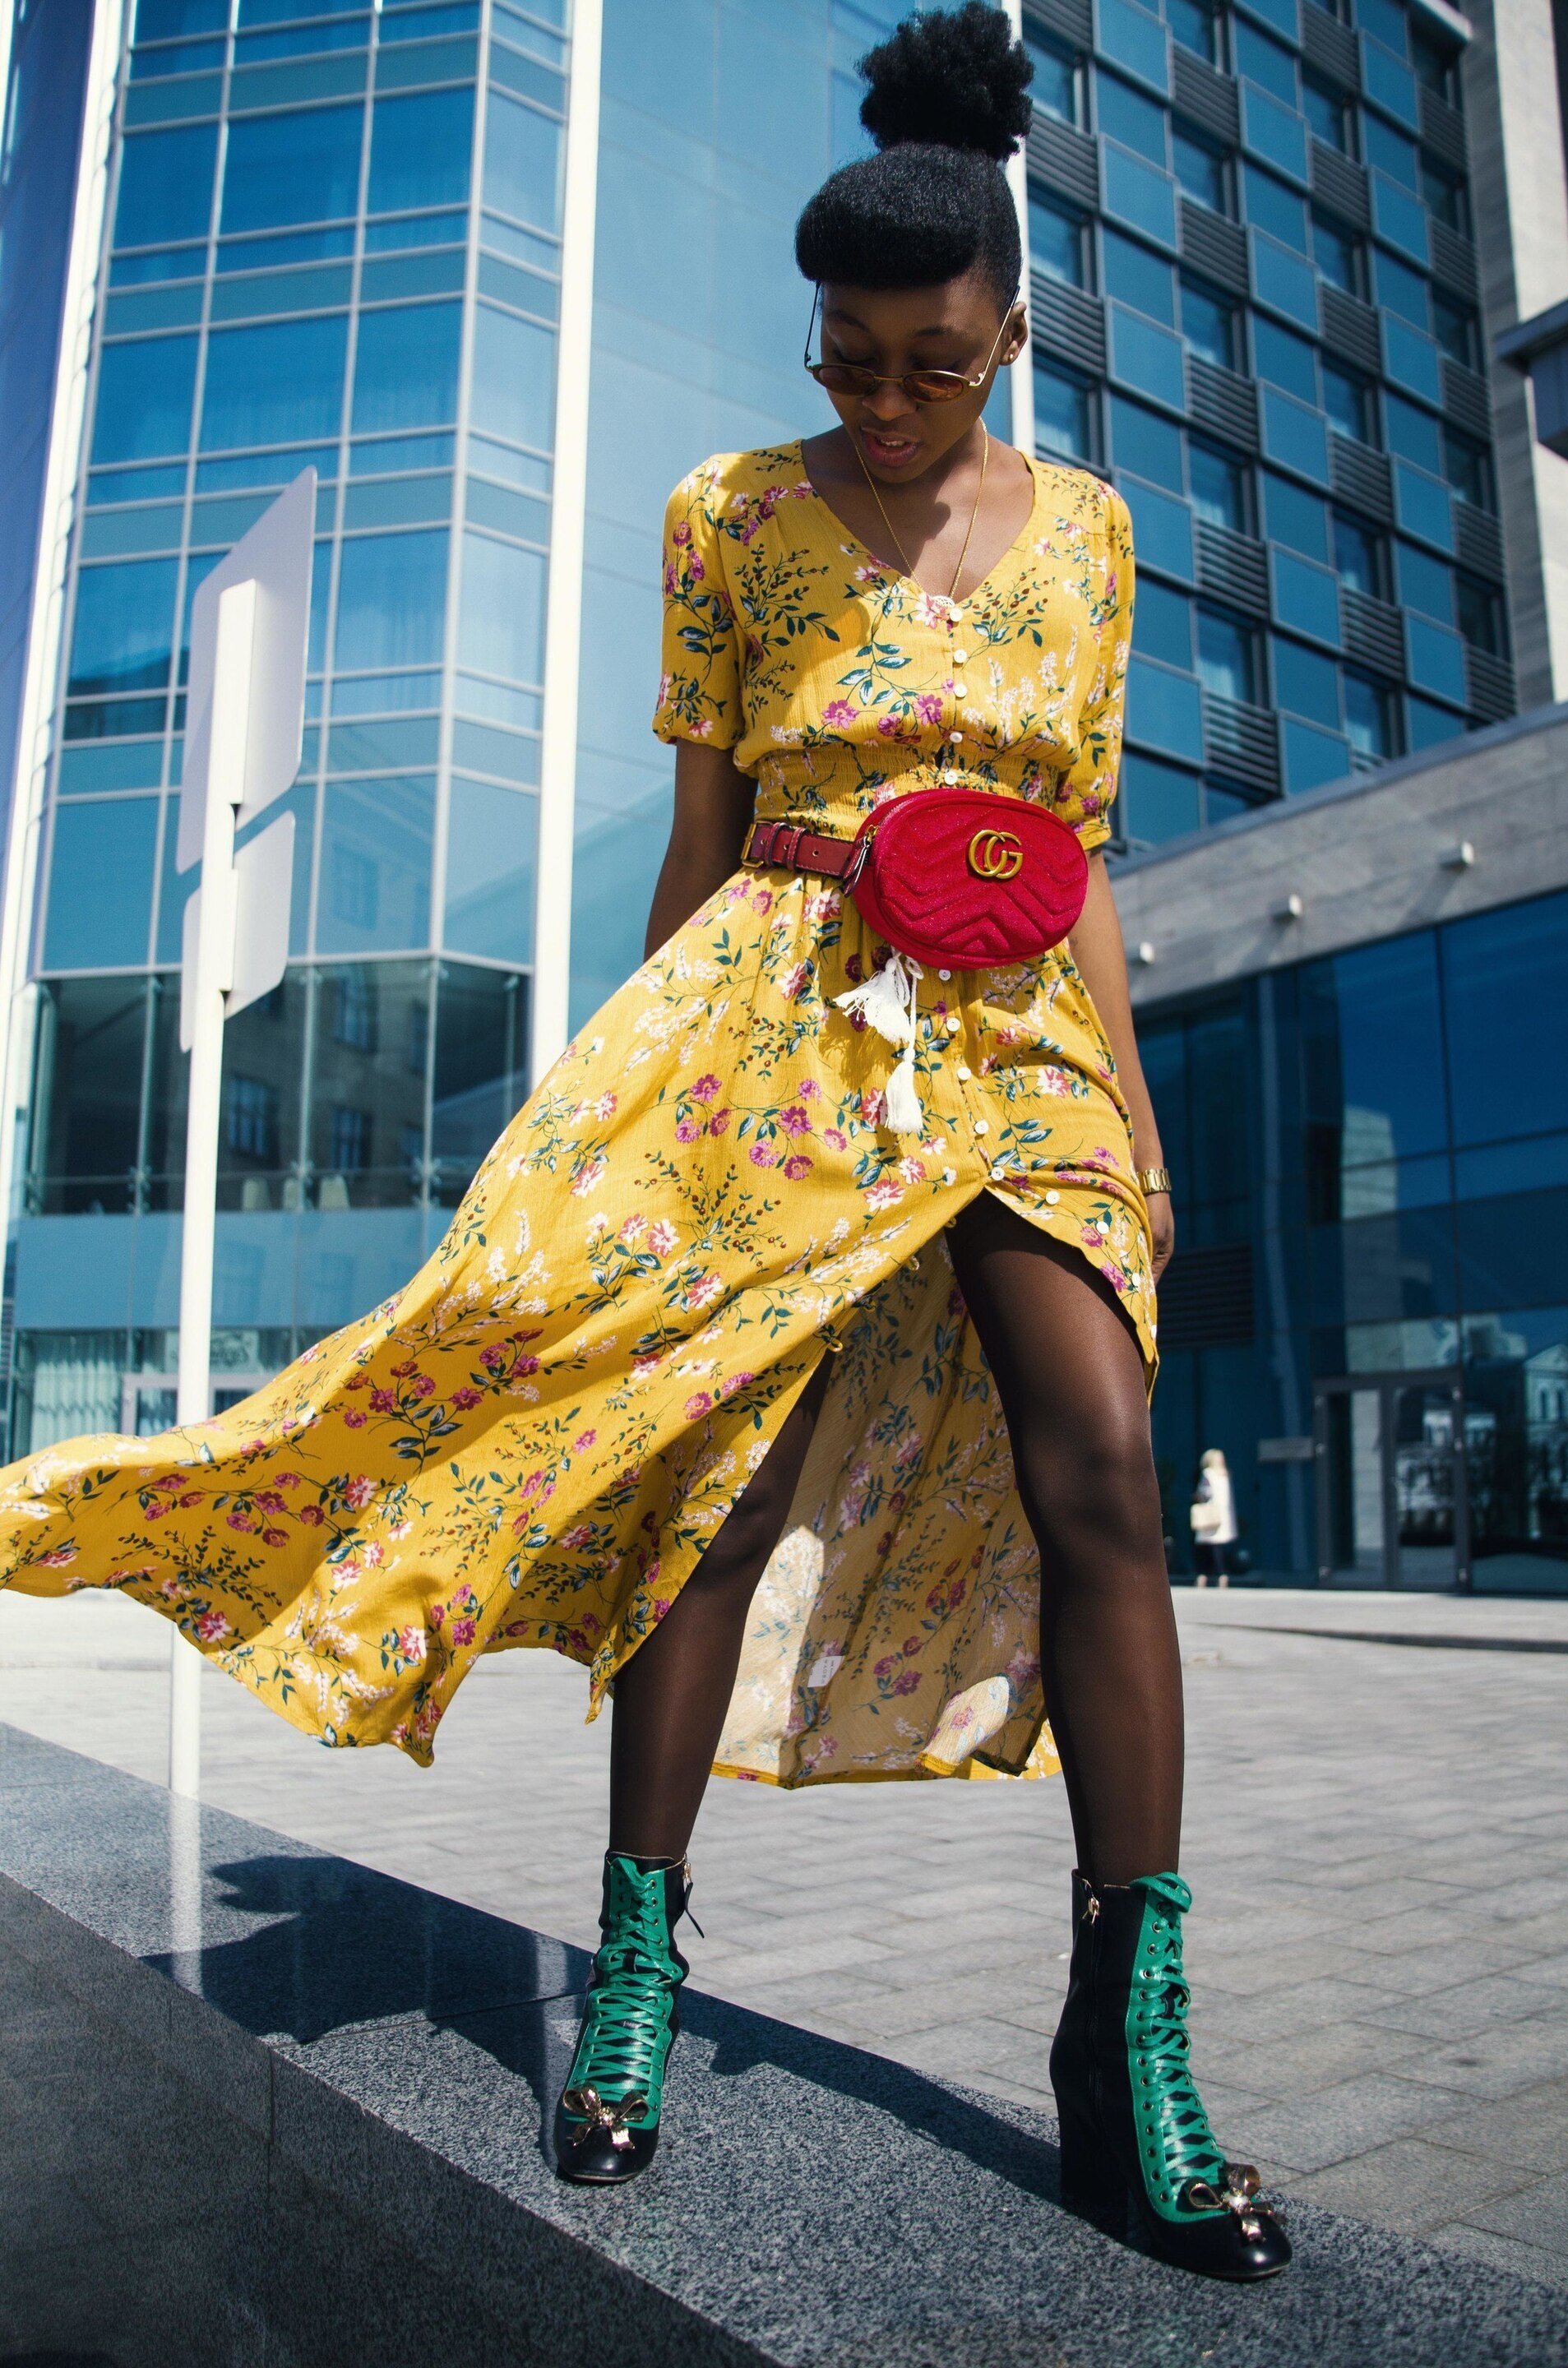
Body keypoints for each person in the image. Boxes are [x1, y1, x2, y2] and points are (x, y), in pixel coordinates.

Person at [0, 5, 1287, 2282]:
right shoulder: (728, 515)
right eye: (849, 361)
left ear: (1006, 325)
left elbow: (1072, 850)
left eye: (934, 363)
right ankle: (641, 1966)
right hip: (772, 1019)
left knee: (1100, 1458)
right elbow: (701, 845)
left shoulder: (1087, 537)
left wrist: (1141, 1116)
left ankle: (1132, 2032)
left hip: (1014, 1034)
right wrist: (616, 1104)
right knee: (713, 1485)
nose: (885, 405)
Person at [1191, 1448, 1238, 1588]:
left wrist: (1196, 1497)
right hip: (1223, 1516)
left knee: (1205, 1547)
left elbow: (1205, 1493)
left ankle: (1202, 1576)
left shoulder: (1208, 1474)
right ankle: (1222, 1575)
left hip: (1209, 1515)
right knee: (1218, 1547)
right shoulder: (1225, 1475)